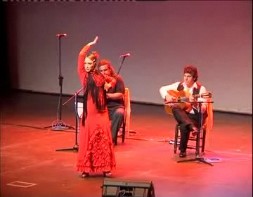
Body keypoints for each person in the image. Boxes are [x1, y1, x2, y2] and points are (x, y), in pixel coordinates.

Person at [76, 36, 116, 178]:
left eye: (88, 63)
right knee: (88, 139)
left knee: (103, 138)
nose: (86, 66)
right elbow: (81, 56)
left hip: (101, 111)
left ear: (94, 64)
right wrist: (89, 45)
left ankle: (105, 168)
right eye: (85, 64)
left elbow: (113, 79)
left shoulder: (100, 76)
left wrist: (108, 86)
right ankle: (86, 168)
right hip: (90, 113)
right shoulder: (84, 77)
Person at [159, 65, 209, 158]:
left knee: (183, 125)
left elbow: (204, 106)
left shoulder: (201, 89)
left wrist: (201, 105)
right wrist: (167, 96)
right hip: (183, 114)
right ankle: (191, 126)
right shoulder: (179, 85)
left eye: (189, 76)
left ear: (194, 78)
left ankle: (182, 150)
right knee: (175, 107)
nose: (186, 78)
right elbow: (162, 89)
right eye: (185, 76)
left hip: (195, 116)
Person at [97, 59, 125, 145]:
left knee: (120, 113)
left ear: (110, 69)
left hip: (115, 107)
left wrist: (108, 96)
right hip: (102, 107)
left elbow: (120, 94)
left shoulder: (117, 79)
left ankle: (111, 139)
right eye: (101, 71)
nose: (103, 72)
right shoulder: (98, 80)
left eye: (105, 70)